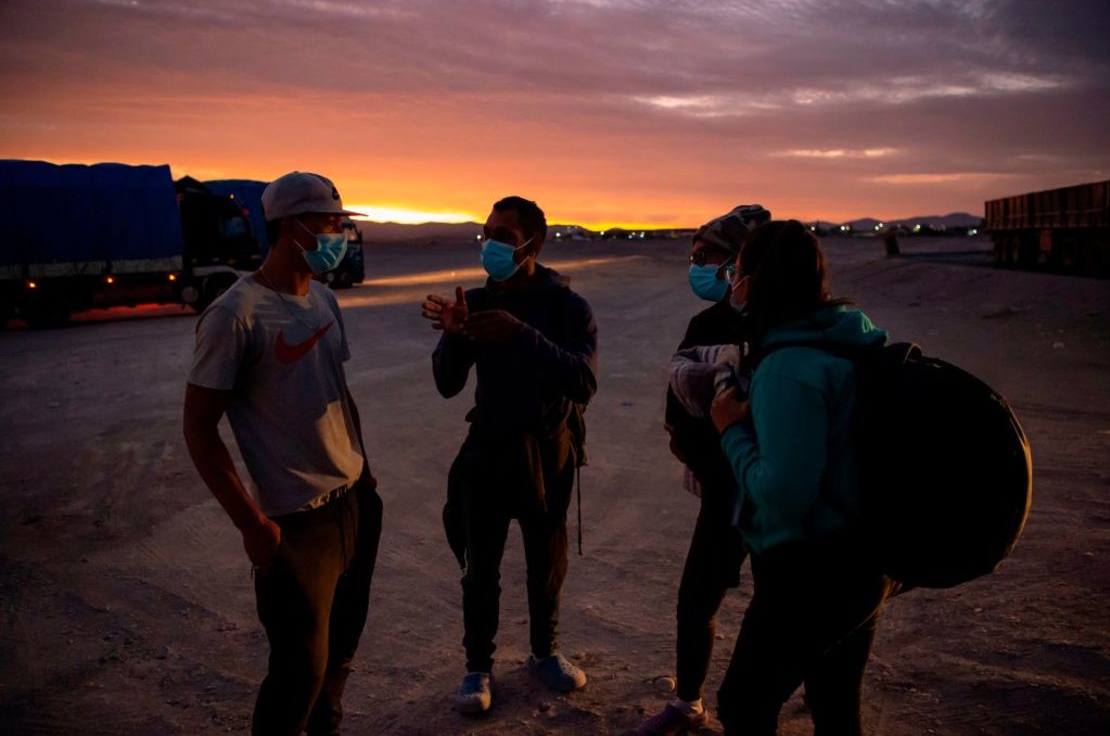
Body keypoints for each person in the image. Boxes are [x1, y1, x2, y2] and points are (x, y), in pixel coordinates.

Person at [183, 171, 382, 736]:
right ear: (290, 227)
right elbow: (199, 430)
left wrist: (364, 478)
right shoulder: (235, 314)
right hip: (295, 527)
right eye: (330, 223)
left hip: (354, 508)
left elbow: (337, 396)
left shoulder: (322, 298)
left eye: (342, 223)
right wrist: (252, 523)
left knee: (339, 660)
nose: (340, 233)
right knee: (298, 675)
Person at [709, 220, 896, 735]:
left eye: (738, 272)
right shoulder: (846, 340)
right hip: (865, 555)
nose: (732, 283)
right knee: (835, 705)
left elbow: (783, 493)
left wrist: (730, 433)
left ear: (759, 279)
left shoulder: (789, 366)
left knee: (744, 705)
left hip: (813, 569)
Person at [421, 196, 597, 715]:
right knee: (481, 567)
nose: (491, 244)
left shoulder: (568, 307)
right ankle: (478, 667)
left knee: (547, 561)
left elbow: (583, 381)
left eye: (502, 234)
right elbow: (447, 385)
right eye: (487, 233)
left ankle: (545, 652)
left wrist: (520, 334)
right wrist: (455, 338)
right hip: (488, 451)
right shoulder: (472, 302)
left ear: (532, 244)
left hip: (548, 453)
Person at [638, 204, 770, 736]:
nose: (697, 266)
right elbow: (678, 412)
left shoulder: (784, 325)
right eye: (693, 256)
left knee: (780, 609)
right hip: (723, 493)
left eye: (708, 257)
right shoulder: (705, 324)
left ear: (741, 262)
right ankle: (688, 700)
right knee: (696, 601)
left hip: (779, 494)